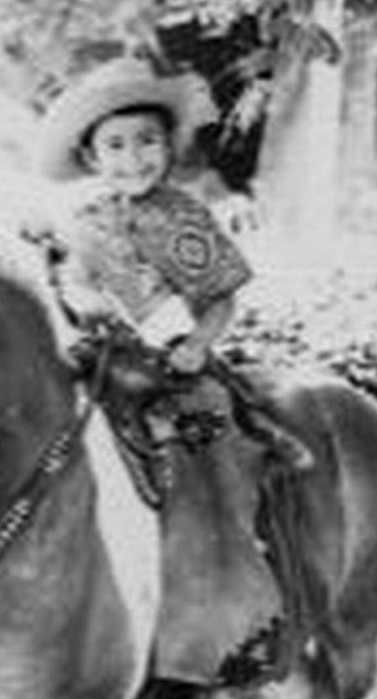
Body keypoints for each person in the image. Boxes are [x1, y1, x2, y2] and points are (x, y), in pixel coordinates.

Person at [31, 56, 311, 473]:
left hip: (168, 351)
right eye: (115, 145)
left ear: (168, 145)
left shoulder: (182, 217)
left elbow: (220, 299)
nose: (134, 158)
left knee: (206, 412)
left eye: (148, 140)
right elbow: (75, 284)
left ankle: (253, 453)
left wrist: (197, 344)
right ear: (92, 159)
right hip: (98, 350)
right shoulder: (85, 219)